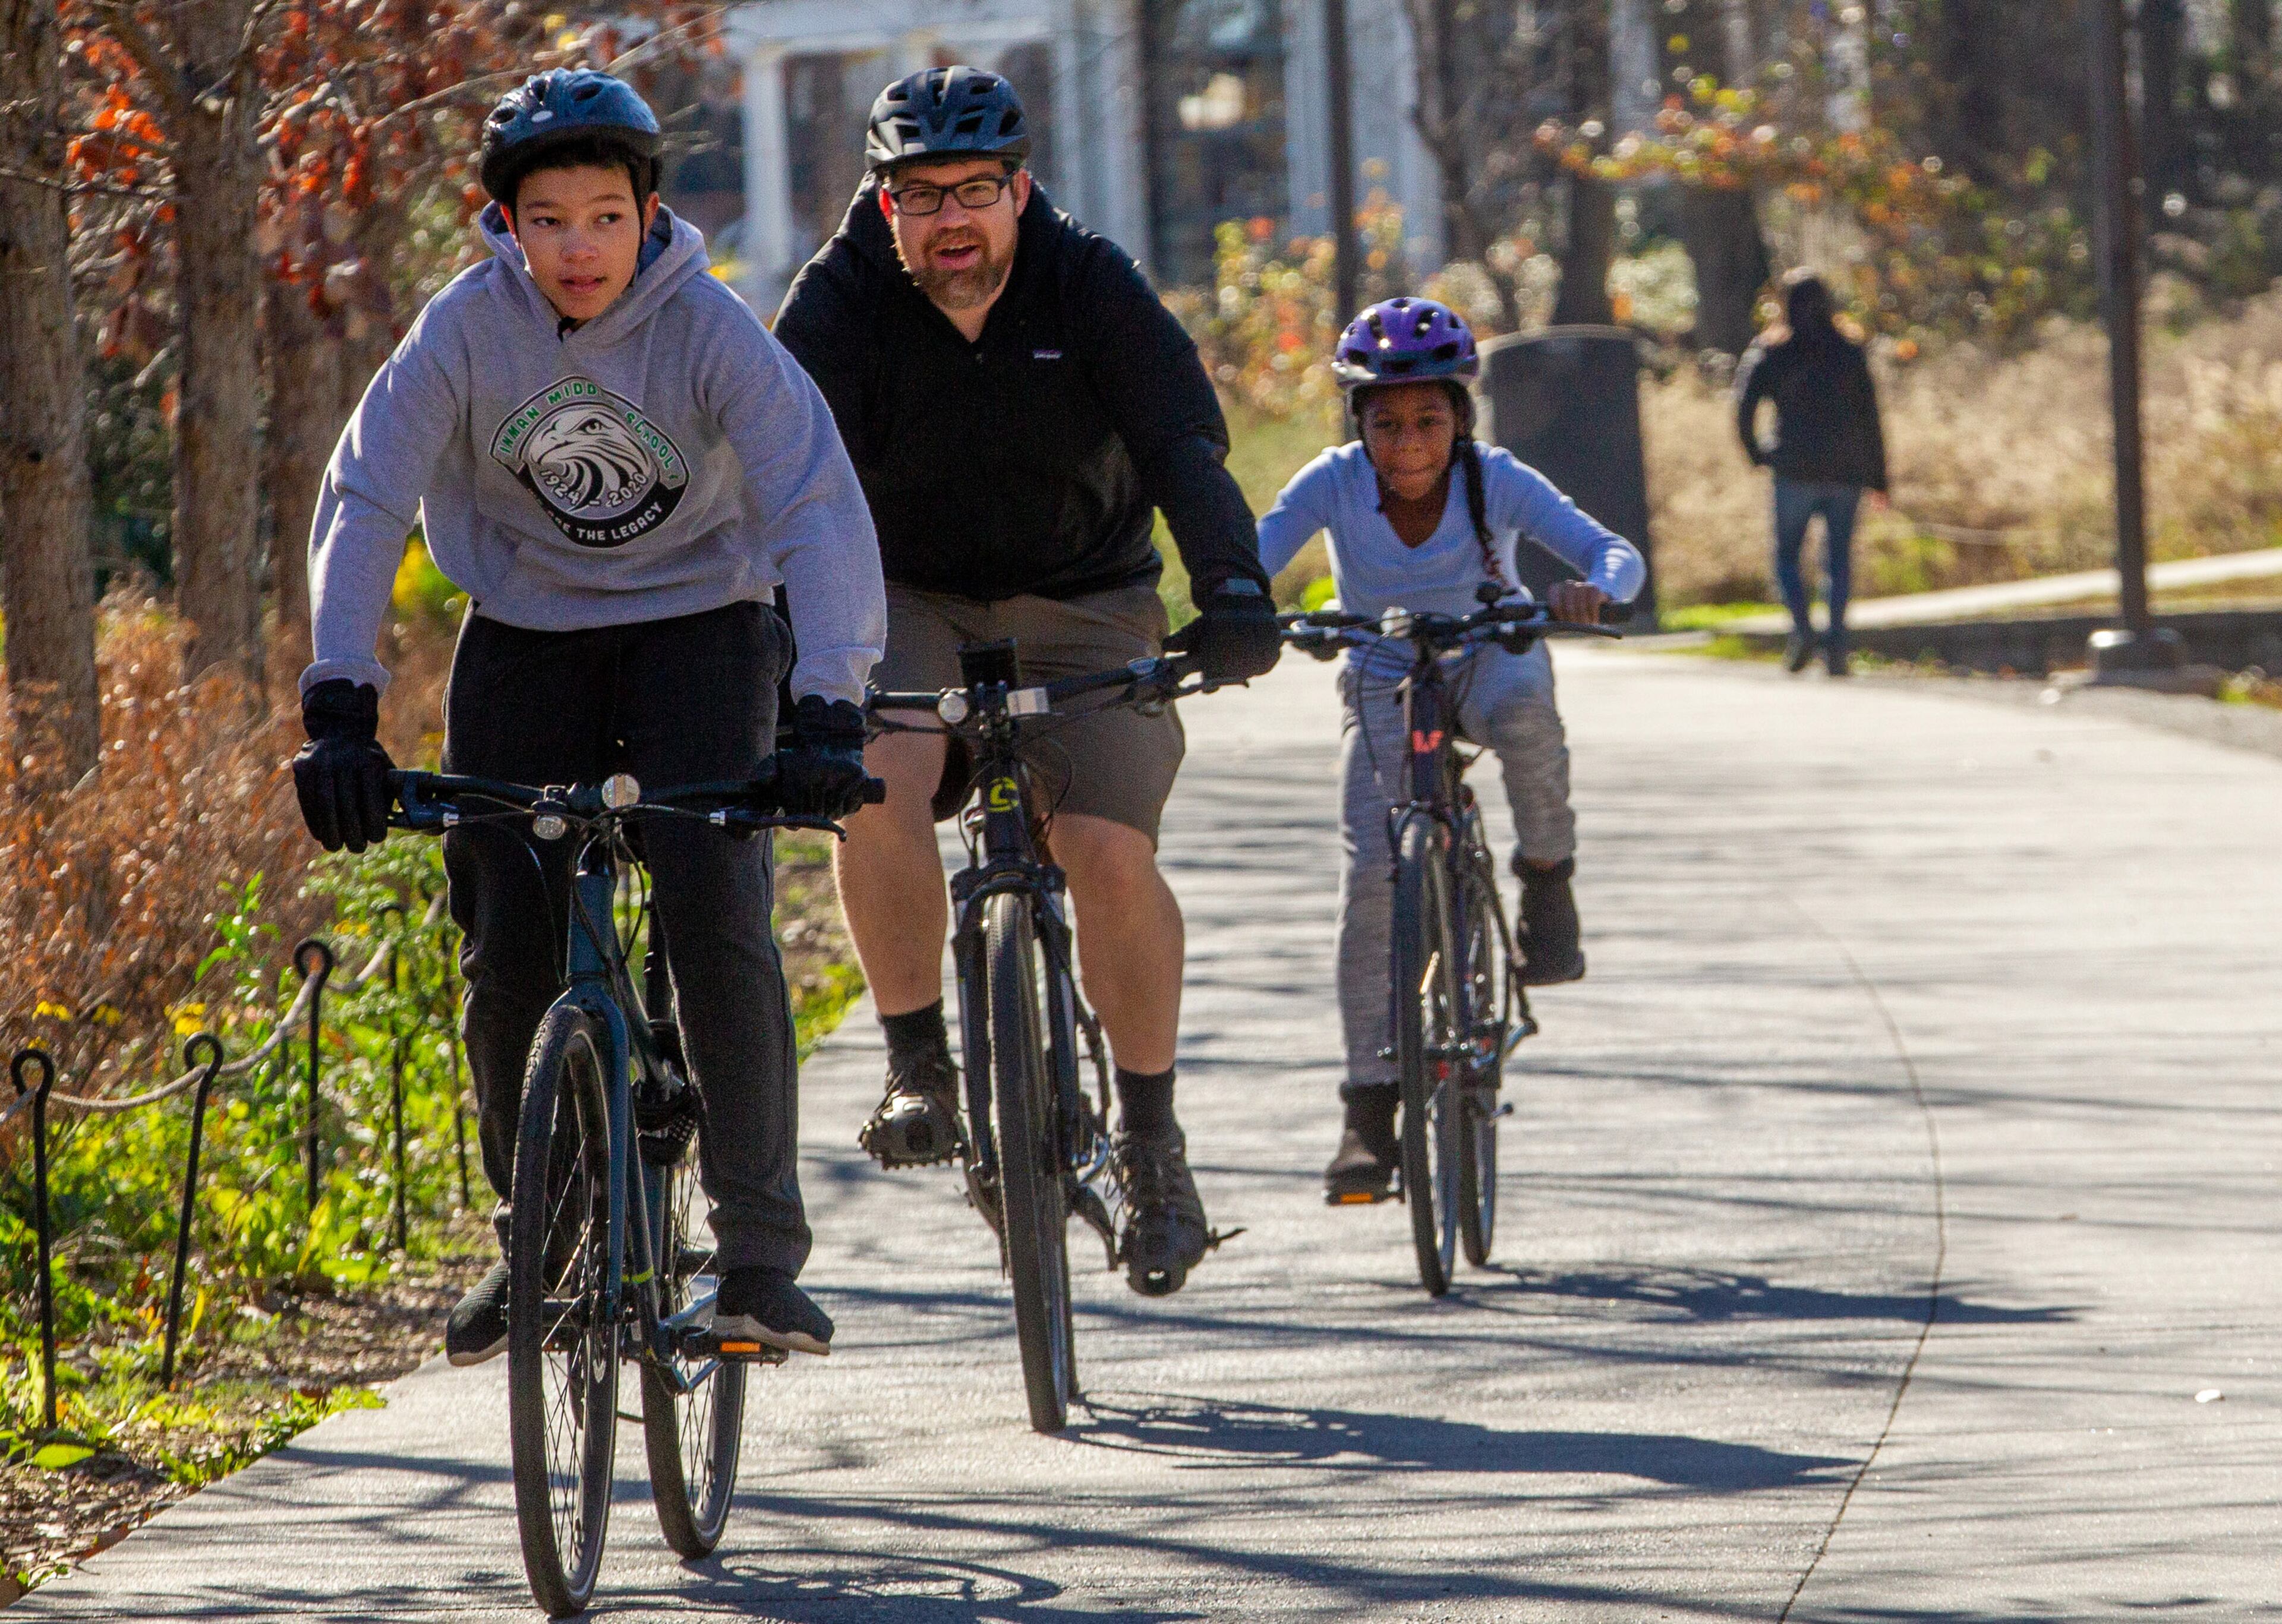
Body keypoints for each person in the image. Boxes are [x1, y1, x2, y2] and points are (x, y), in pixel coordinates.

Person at [288, 70, 887, 1364]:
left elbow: (816, 506)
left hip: (704, 627)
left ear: (651, 213)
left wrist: (828, 703)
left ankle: (758, 1256)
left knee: (714, 898)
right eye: (546, 219)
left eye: (605, 216)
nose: (577, 246)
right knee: (504, 930)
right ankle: (541, 1234)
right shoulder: (460, 329)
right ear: (502, 225)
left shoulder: (713, 330)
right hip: (526, 635)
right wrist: (339, 702)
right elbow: (365, 497)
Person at [773, 66, 1281, 1297]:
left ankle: (1155, 1147)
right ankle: (918, 1067)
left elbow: (1181, 446)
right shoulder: (838, 302)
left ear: (1022, 188)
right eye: (921, 195)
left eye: (977, 191)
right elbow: (780, 482)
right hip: (903, 597)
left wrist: (1233, 590)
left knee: (1107, 853)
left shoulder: (1090, 280)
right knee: (872, 777)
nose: (953, 219)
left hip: (1087, 595)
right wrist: (773, 645)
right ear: (883, 204)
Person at [1255, 297, 1643, 1202]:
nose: (1408, 444)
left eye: (1429, 421)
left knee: (1528, 725)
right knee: (1369, 877)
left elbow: (1612, 551)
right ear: (1357, 425)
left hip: (1487, 657)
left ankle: (1548, 881)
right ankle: (1368, 1108)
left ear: (1460, 420)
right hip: (1385, 670)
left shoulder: (1497, 477)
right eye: (1385, 424)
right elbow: (1251, 552)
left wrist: (1594, 587)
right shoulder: (1332, 482)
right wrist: (1238, 604)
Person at [1733, 270, 1889, 676]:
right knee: (1837, 561)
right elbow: (1870, 417)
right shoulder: (1849, 351)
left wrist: (1757, 454)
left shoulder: (1772, 352)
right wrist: (1879, 477)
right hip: (1846, 471)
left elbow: (1743, 408)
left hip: (1794, 470)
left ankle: (1802, 630)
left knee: (1787, 557)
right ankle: (1836, 647)